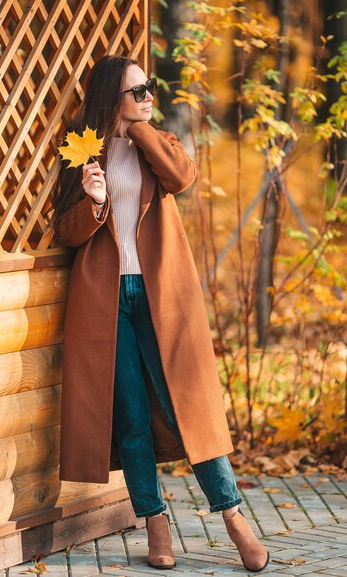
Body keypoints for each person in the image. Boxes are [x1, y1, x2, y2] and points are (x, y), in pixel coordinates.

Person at [52, 55, 269, 572]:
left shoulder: (158, 144)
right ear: (111, 97)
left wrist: (141, 131)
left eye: (149, 88)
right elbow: (67, 231)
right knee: (130, 418)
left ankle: (235, 517)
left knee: (186, 410)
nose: (149, 95)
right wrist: (94, 202)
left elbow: (181, 176)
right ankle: (154, 521)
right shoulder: (83, 153)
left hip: (160, 298)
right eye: (137, 90)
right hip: (106, 302)